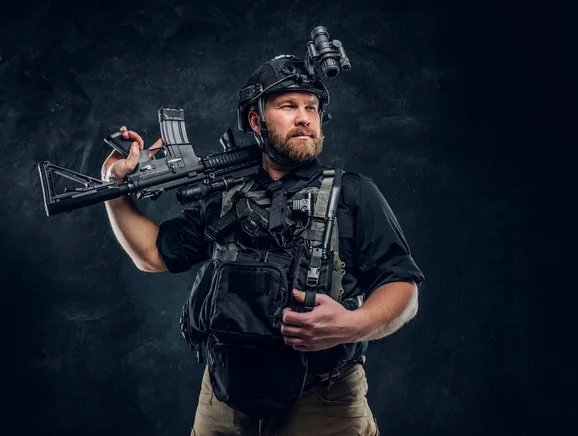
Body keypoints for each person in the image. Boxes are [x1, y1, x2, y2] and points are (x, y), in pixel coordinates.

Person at [101, 55, 424, 436]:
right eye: (288, 106)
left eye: (312, 107)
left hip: (321, 398)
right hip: (224, 397)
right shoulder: (224, 195)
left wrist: (352, 325)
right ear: (256, 121)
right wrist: (113, 188)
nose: (304, 117)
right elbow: (153, 254)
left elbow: (403, 287)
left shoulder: (353, 193)